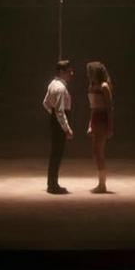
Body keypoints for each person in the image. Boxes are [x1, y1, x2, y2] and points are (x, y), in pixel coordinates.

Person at [42, 59, 76, 194]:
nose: (71, 74)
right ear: (61, 72)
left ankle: (52, 183)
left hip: (54, 121)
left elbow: (45, 103)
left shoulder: (52, 84)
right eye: (69, 72)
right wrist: (67, 128)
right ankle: (53, 185)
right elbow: (61, 111)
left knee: (54, 153)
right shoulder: (61, 88)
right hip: (59, 122)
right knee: (57, 154)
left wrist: (53, 114)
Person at [85, 61, 114, 193]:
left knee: (98, 152)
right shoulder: (92, 86)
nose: (88, 74)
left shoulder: (104, 87)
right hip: (96, 117)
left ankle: (102, 184)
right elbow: (92, 107)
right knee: (95, 152)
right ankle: (100, 183)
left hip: (102, 118)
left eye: (90, 71)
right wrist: (90, 123)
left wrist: (110, 126)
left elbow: (109, 108)